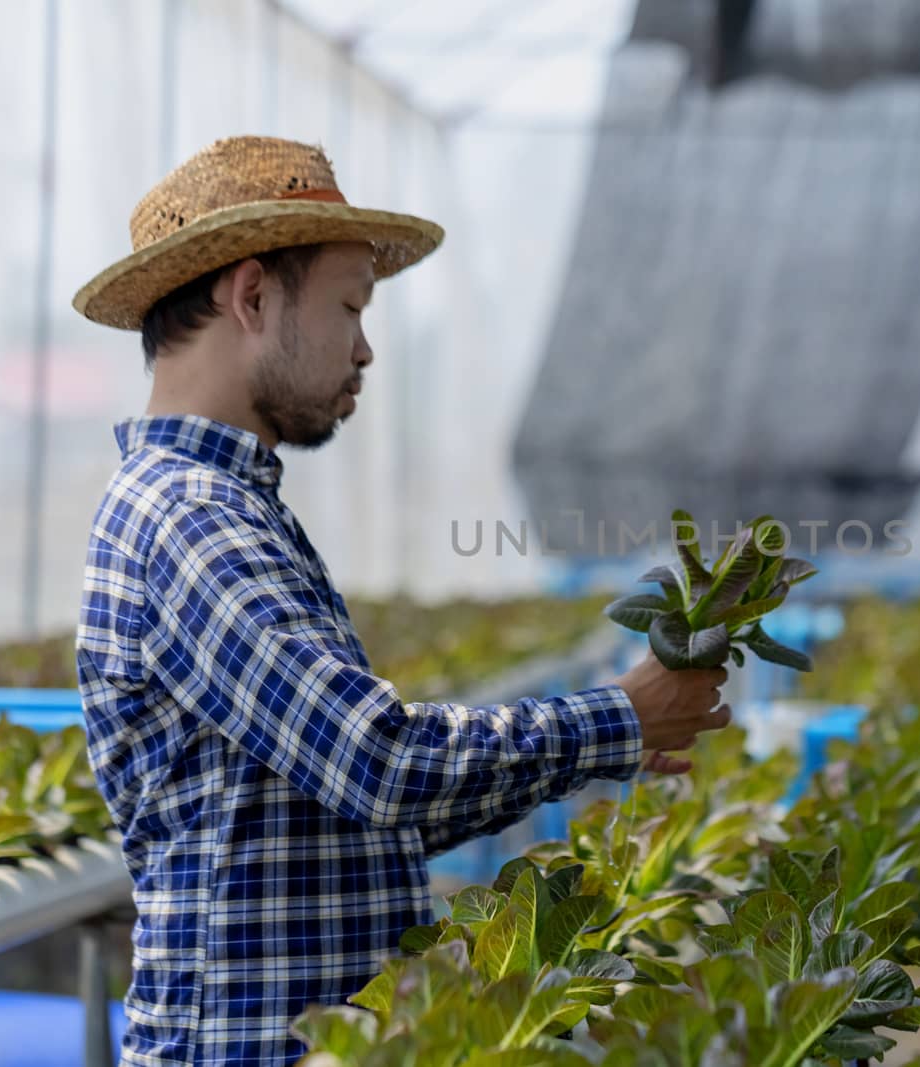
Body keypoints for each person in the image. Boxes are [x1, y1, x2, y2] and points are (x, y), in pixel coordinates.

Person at [70, 135, 732, 1067]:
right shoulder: (190, 519)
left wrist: (604, 739)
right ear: (252, 296)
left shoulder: (228, 510)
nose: (365, 348)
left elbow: (359, 813)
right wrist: (614, 719)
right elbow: (378, 764)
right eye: (350, 305)